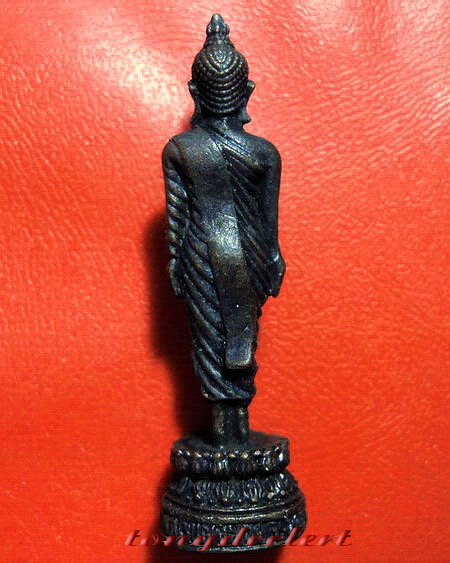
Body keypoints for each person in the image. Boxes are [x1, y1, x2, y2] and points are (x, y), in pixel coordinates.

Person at [162, 14, 285, 445]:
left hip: (200, 255)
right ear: (246, 92)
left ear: (195, 93)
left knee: (213, 340)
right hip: (246, 256)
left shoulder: (179, 149)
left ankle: (228, 431)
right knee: (235, 338)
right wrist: (273, 261)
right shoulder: (264, 153)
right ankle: (230, 433)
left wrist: (176, 264)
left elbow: (177, 221)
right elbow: (269, 227)